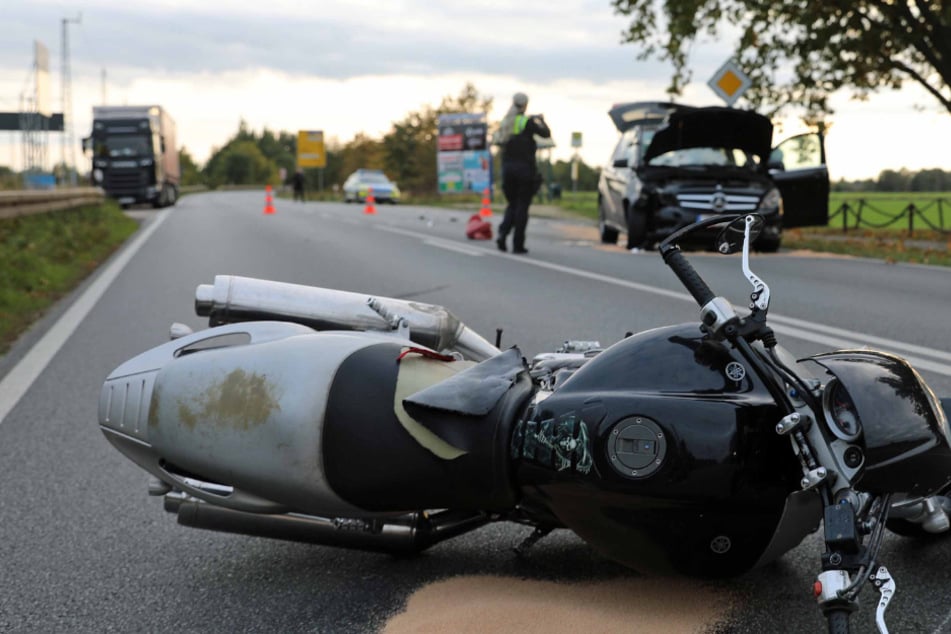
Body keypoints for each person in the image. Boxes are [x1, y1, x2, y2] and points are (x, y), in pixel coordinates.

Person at [493, 92, 551, 254]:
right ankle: (518, 244)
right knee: (522, 207)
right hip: (524, 170)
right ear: (525, 104)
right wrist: (540, 120)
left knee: (512, 204)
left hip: (507, 170)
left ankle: (503, 233)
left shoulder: (506, 122)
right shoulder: (527, 121)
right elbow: (546, 134)